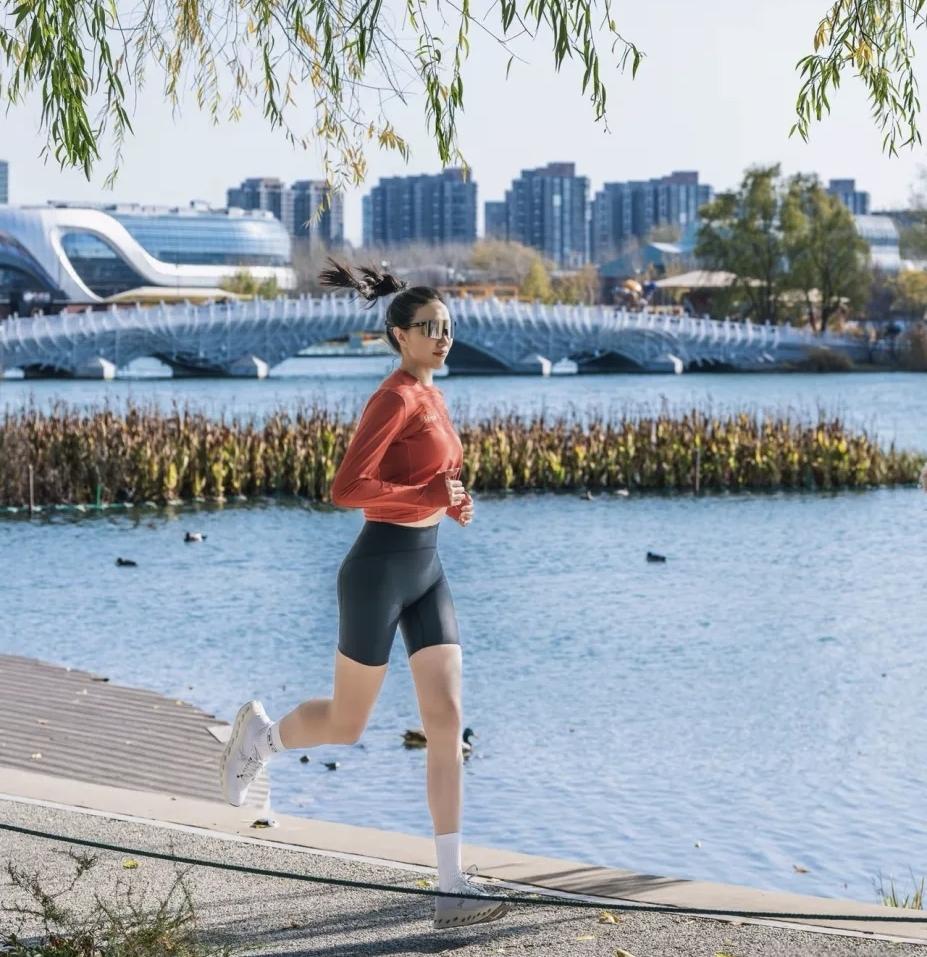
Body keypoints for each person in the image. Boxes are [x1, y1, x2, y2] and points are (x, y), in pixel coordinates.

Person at [219, 258, 510, 930]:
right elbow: (347, 489)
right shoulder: (394, 398)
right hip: (378, 568)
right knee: (347, 724)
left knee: (447, 719)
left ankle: (449, 888)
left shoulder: (433, 395)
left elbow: (429, 481)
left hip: (426, 568)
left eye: (447, 327)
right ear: (400, 335)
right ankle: (261, 738)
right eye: (429, 328)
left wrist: (450, 502)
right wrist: (425, 493)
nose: (442, 337)